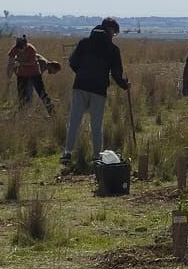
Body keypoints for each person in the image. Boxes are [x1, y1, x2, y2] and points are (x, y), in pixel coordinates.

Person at [62, 18, 130, 164]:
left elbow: (72, 62)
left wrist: (82, 73)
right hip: (98, 89)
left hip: (80, 85)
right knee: (96, 124)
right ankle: (97, 156)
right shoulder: (113, 49)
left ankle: (67, 153)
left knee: (74, 120)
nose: (114, 36)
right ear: (110, 30)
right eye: (115, 33)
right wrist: (124, 85)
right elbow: (116, 74)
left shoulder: (84, 43)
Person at [8, 35, 55, 115]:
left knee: (41, 93)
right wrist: (9, 76)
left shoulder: (31, 49)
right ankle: (22, 113)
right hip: (22, 75)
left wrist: (19, 62)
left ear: (25, 45)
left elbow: (31, 63)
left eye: (22, 48)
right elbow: (10, 63)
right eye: (19, 48)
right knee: (21, 94)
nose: (20, 50)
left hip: (35, 74)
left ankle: (51, 112)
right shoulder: (14, 49)